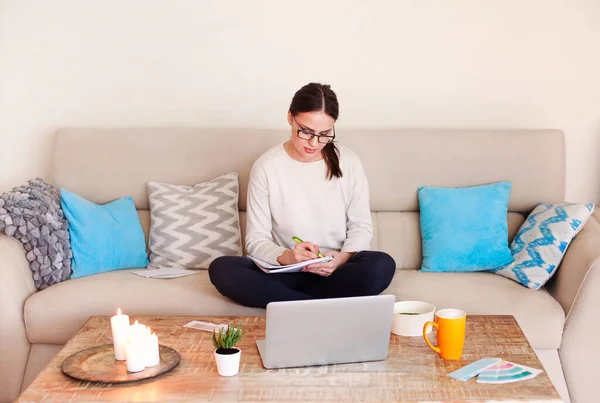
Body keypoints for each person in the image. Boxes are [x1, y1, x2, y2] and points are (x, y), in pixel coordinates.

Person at [209, 83, 396, 308]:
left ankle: (293, 306)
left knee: (381, 265)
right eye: (306, 131)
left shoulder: (349, 162)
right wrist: (289, 257)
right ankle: (319, 308)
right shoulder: (267, 166)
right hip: (283, 273)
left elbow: (361, 227)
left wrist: (340, 259)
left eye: (324, 134)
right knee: (222, 269)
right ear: (290, 117)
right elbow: (256, 240)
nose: (314, 143)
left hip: (335, 273)